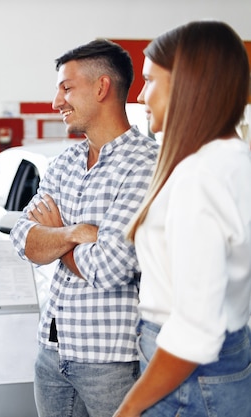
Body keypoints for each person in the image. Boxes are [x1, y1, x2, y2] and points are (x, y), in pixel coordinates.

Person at [10, 39, 159, 417]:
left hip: (111, 360)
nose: (56, 101)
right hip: (51, 349)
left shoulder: (145, 164)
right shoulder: (64, 162)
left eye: (66, 88)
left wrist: (55, 237)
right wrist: (74, 233)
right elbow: (23, 239)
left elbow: (109, 266)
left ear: (102, 87)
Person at [114, 21, 251, 417]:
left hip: (187, 377)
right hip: (226, 359)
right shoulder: (234, 161)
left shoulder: (199, 175)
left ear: (187, 84)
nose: (140, 96)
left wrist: (127, 409)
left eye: (149, 81)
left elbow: (195, 331)